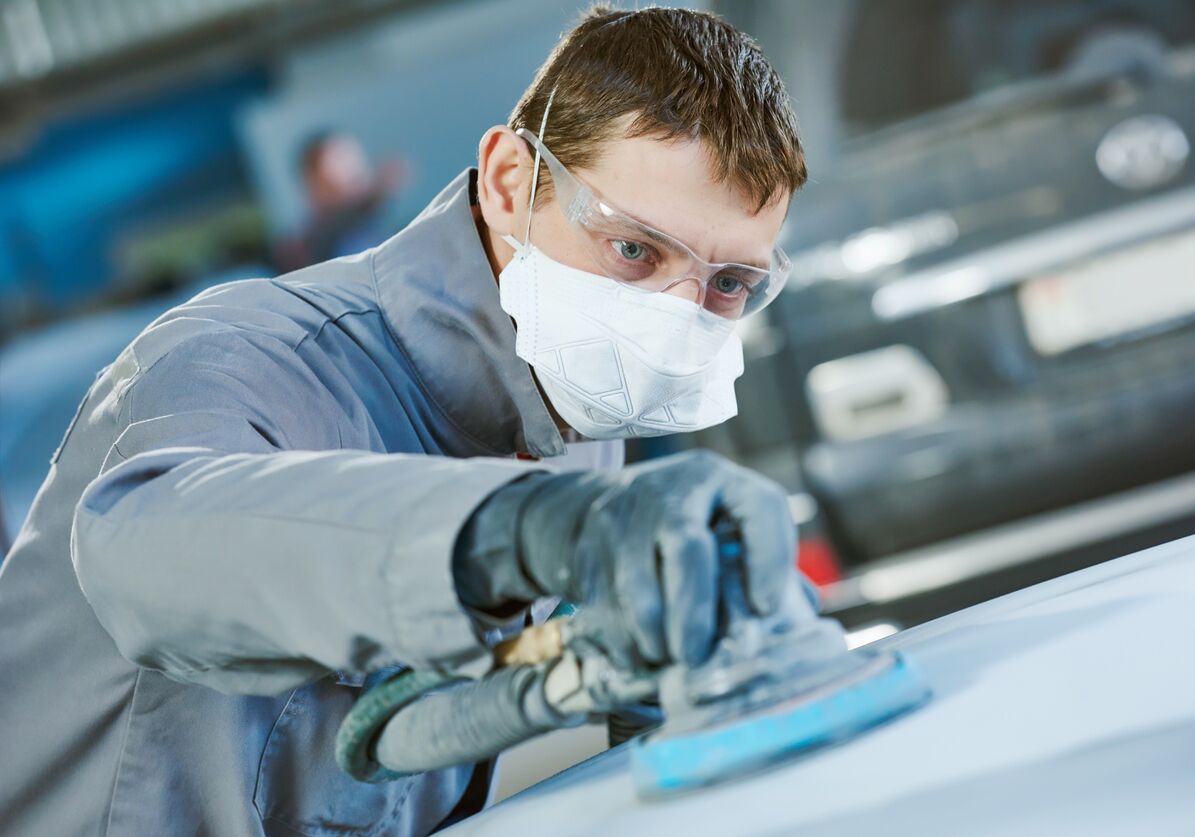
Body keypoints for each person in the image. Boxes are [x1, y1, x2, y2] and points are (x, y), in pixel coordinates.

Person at [0, 6, 810, 834]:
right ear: (508, 183)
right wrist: (518, 534)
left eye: (729, 286)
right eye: (634, 251)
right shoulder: (250, 356)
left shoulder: (575, 425)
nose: (675, 325)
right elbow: (140, 551)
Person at [280, 131, 409, 270]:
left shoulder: (372, 224)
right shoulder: (312, 243)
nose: (353, 167)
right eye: (339, 159)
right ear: (314, 182)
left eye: (352, 156)